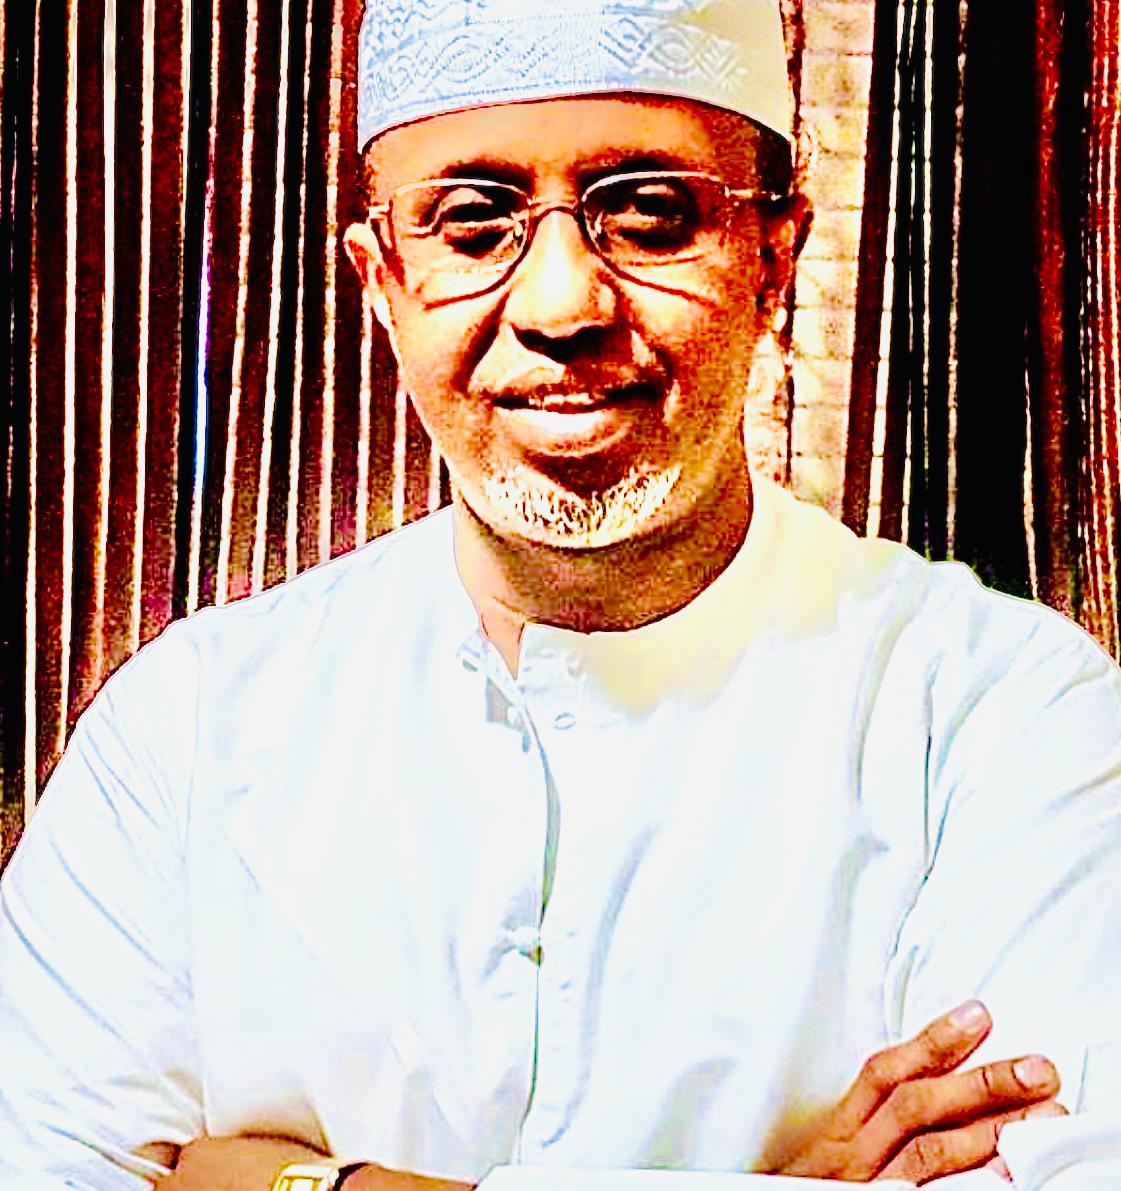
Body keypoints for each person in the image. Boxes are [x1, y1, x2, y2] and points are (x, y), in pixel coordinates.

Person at [2, 1, 1119, 1189]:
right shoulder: (189, 731)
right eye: (472, 224)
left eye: (648, 214)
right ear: (381, 280)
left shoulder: (996, 716)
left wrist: (313, 1185)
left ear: (772, 257)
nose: (558, 308)